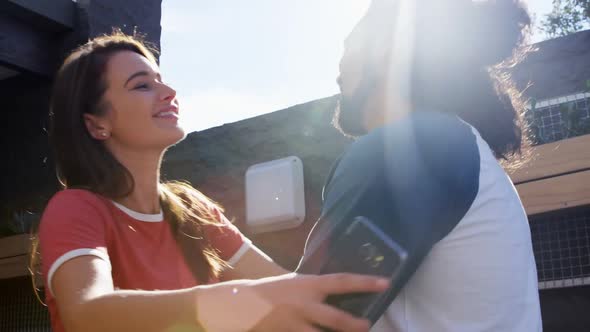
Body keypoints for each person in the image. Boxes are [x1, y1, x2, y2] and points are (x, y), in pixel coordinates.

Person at [35, 32, 389, 332]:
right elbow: (86, 313)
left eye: (161, 79)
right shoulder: (76, 209)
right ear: (97, 124)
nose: (168, 91)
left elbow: (282, 285)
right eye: (142, 85)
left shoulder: (193, 210)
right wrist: (232, 303)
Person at [297, 0, 542, 331]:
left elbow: (303, 319)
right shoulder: (452, 144)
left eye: (348, 46)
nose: (337, 72)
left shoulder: (408, 149)